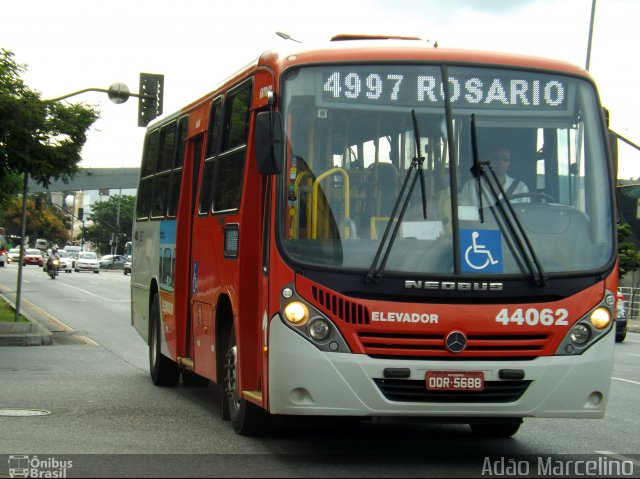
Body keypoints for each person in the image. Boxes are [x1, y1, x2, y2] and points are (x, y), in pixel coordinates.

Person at [460, 145, 529, 207]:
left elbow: (526, 216)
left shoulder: (521, 188)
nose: (500, 163)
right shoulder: (471, 186)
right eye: (495, 158)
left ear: (509, 162)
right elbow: (465, 216)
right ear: (486, 160)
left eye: (505, 159)